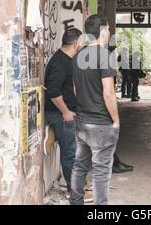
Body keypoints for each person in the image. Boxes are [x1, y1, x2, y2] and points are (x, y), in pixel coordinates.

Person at [70, 15, 120, 205]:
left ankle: (75, 202)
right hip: (101, 123)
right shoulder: (104, 55)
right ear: (102, 31)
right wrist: (115, 120)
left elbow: (75, 88)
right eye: (107, 30)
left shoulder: (78, 55)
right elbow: (108, 93)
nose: (109, 33)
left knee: (79, 166)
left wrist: (85, 105)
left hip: (82, 121)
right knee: (101, 171)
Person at [44, 28, 93, 203]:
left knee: (78, 151)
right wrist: (65, 112)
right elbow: (53, 90)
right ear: (76, 44)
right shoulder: (60, 62)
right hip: (61, 115)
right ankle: (75, 192)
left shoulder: (68, 60)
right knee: (71, 153)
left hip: (70, 112)